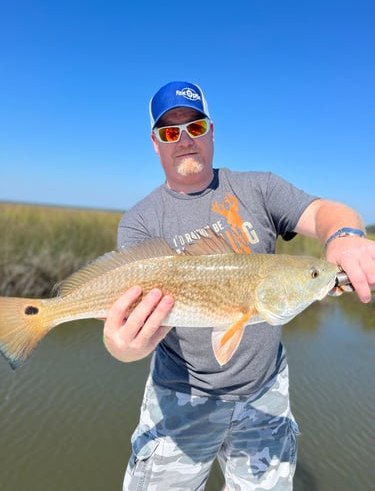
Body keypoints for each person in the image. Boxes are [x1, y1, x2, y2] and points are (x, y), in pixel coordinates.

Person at [103, 81, 375, 490]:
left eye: (194, 127)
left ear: (211, 131)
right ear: (155, 143)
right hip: (180, 397)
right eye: (169, 132)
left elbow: (325, 212)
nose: (184, 140)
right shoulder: (140, 221)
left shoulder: (258, 188)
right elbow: (125, 326)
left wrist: (345, 235)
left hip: (265, 393)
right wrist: (122, 348)